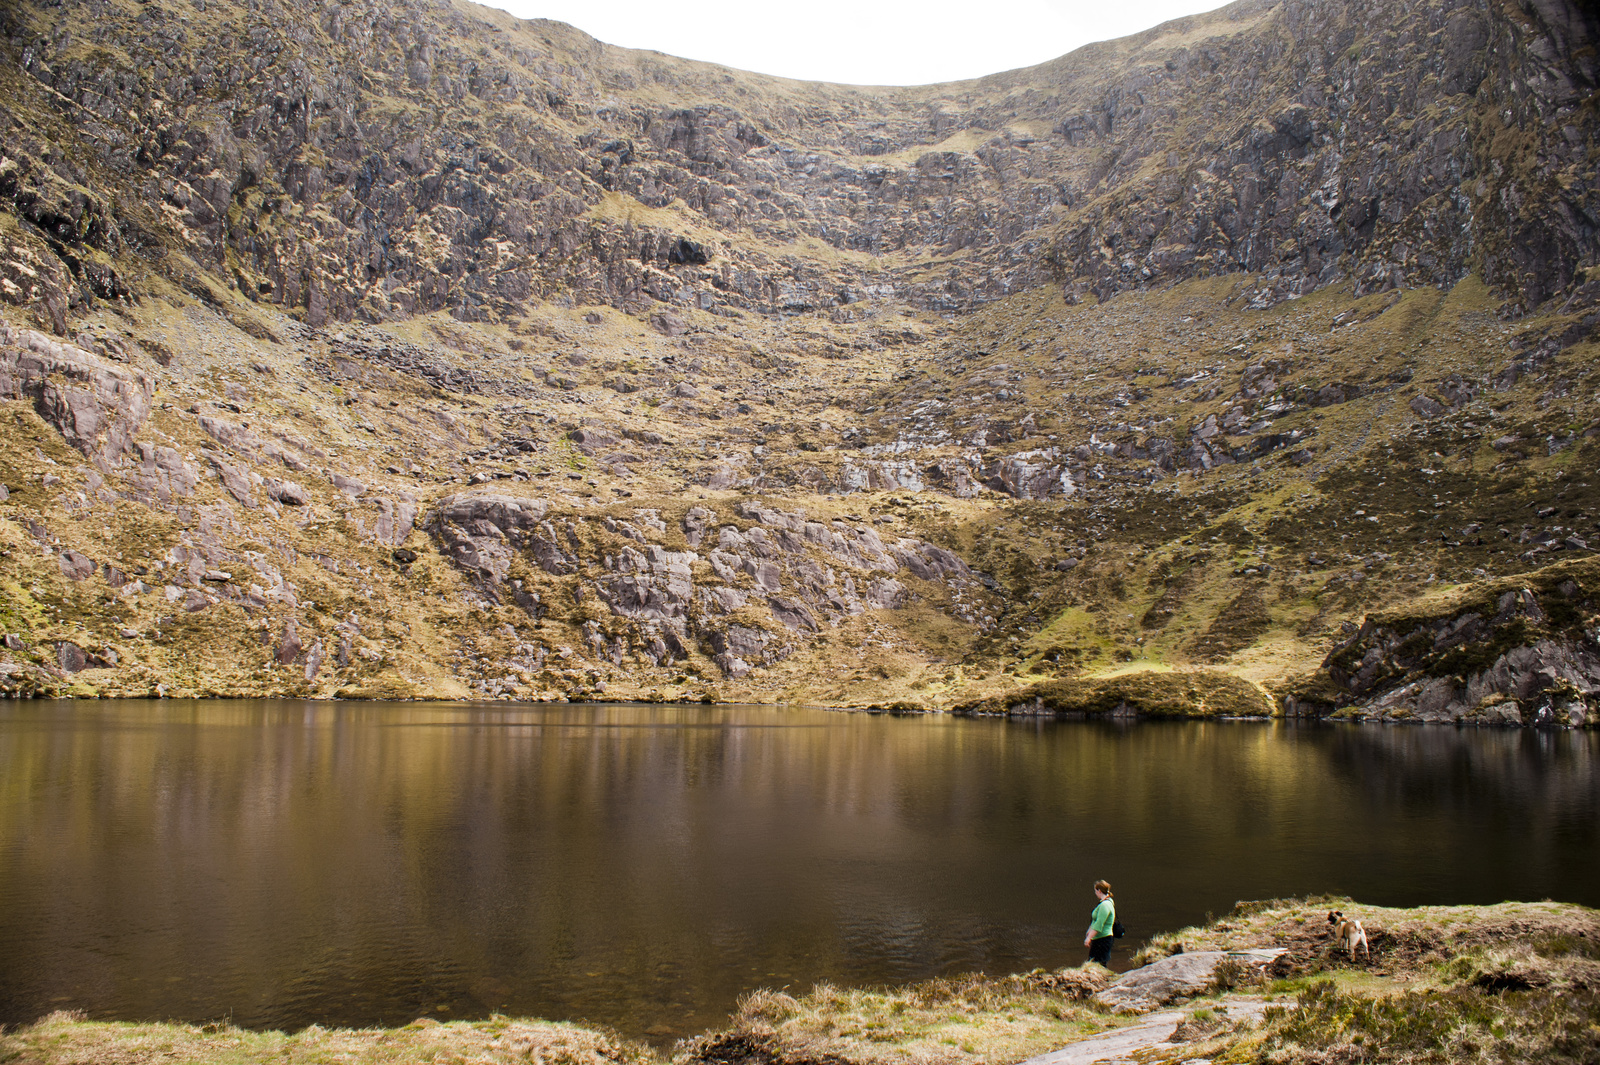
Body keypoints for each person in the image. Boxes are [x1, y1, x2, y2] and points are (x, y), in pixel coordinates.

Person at [1085, 879, 1115, 966]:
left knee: (1098, 964)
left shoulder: (1105, 905)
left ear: (1099, 890)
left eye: (1095, 890)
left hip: (1103, 940)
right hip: (1098, 939)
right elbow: (1095, 920)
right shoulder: (1103, 903)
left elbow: (1099, 924)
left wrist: (1089, 938)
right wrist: (1089, 931)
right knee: (1092, 963)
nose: (1095, 893)